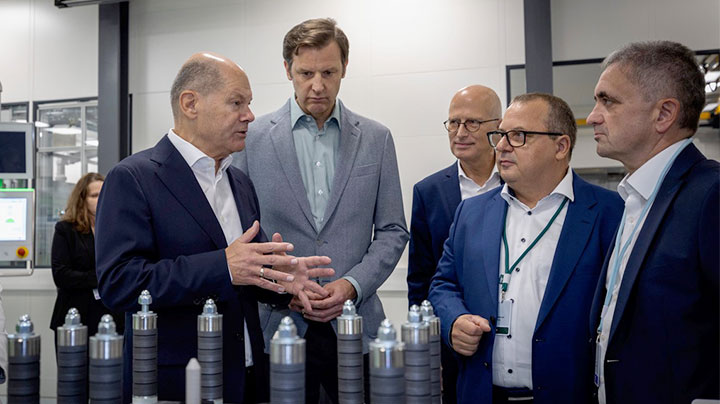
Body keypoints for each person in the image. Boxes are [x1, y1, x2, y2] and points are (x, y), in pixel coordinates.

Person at [95, 52, 334, 403]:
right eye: (237, 102)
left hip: (249, 376)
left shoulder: (238, 181)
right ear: (190, 103)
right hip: (177, 382)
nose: (250, 115)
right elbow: (120, 283)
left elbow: (246, 274)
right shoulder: (133, 178)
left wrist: (281, 281)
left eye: (249, 104)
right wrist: (222, 266)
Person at [234, 18, 408, 404]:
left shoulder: (376, 139)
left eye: (329, 72)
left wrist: (352, 285)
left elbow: (394, 230)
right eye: (306, 73)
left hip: (357, 325)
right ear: (287, 71)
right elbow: (240, 233)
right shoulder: (251, 139)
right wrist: (282, 287)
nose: (318, 85)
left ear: (345, 68)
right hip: (277, 325)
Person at [429, 93, 623, 404]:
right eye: (501, 134)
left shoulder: (608, 213)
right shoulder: (471, 213)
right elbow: (443, 284)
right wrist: (454, 320)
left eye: (518, 136)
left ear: (560, 146)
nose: (502, 146)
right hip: (481, 394)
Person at [587, 41, 719, 404]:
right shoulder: (634, 199)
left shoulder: (711, 195)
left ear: (664, 115)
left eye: (608, 101)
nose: (593, 116)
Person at [407, 84, 502, 403]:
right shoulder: (429, 192)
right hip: (450, 338)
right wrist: (428, 348)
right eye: (453, 122)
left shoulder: (516, 183)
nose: (460, 132)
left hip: (507, 334)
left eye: (472, 123)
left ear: (497, 130)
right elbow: (420, 280)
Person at [50, 173, 124, 346]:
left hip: (111, 316)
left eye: (103, 193)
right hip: (75, 315)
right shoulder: (66, 229)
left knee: (112, 371)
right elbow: (61, 275)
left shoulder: (118, 228)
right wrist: (102, 278)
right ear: (81, 199)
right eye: (94, 195)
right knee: (75, 371)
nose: (100, 199)